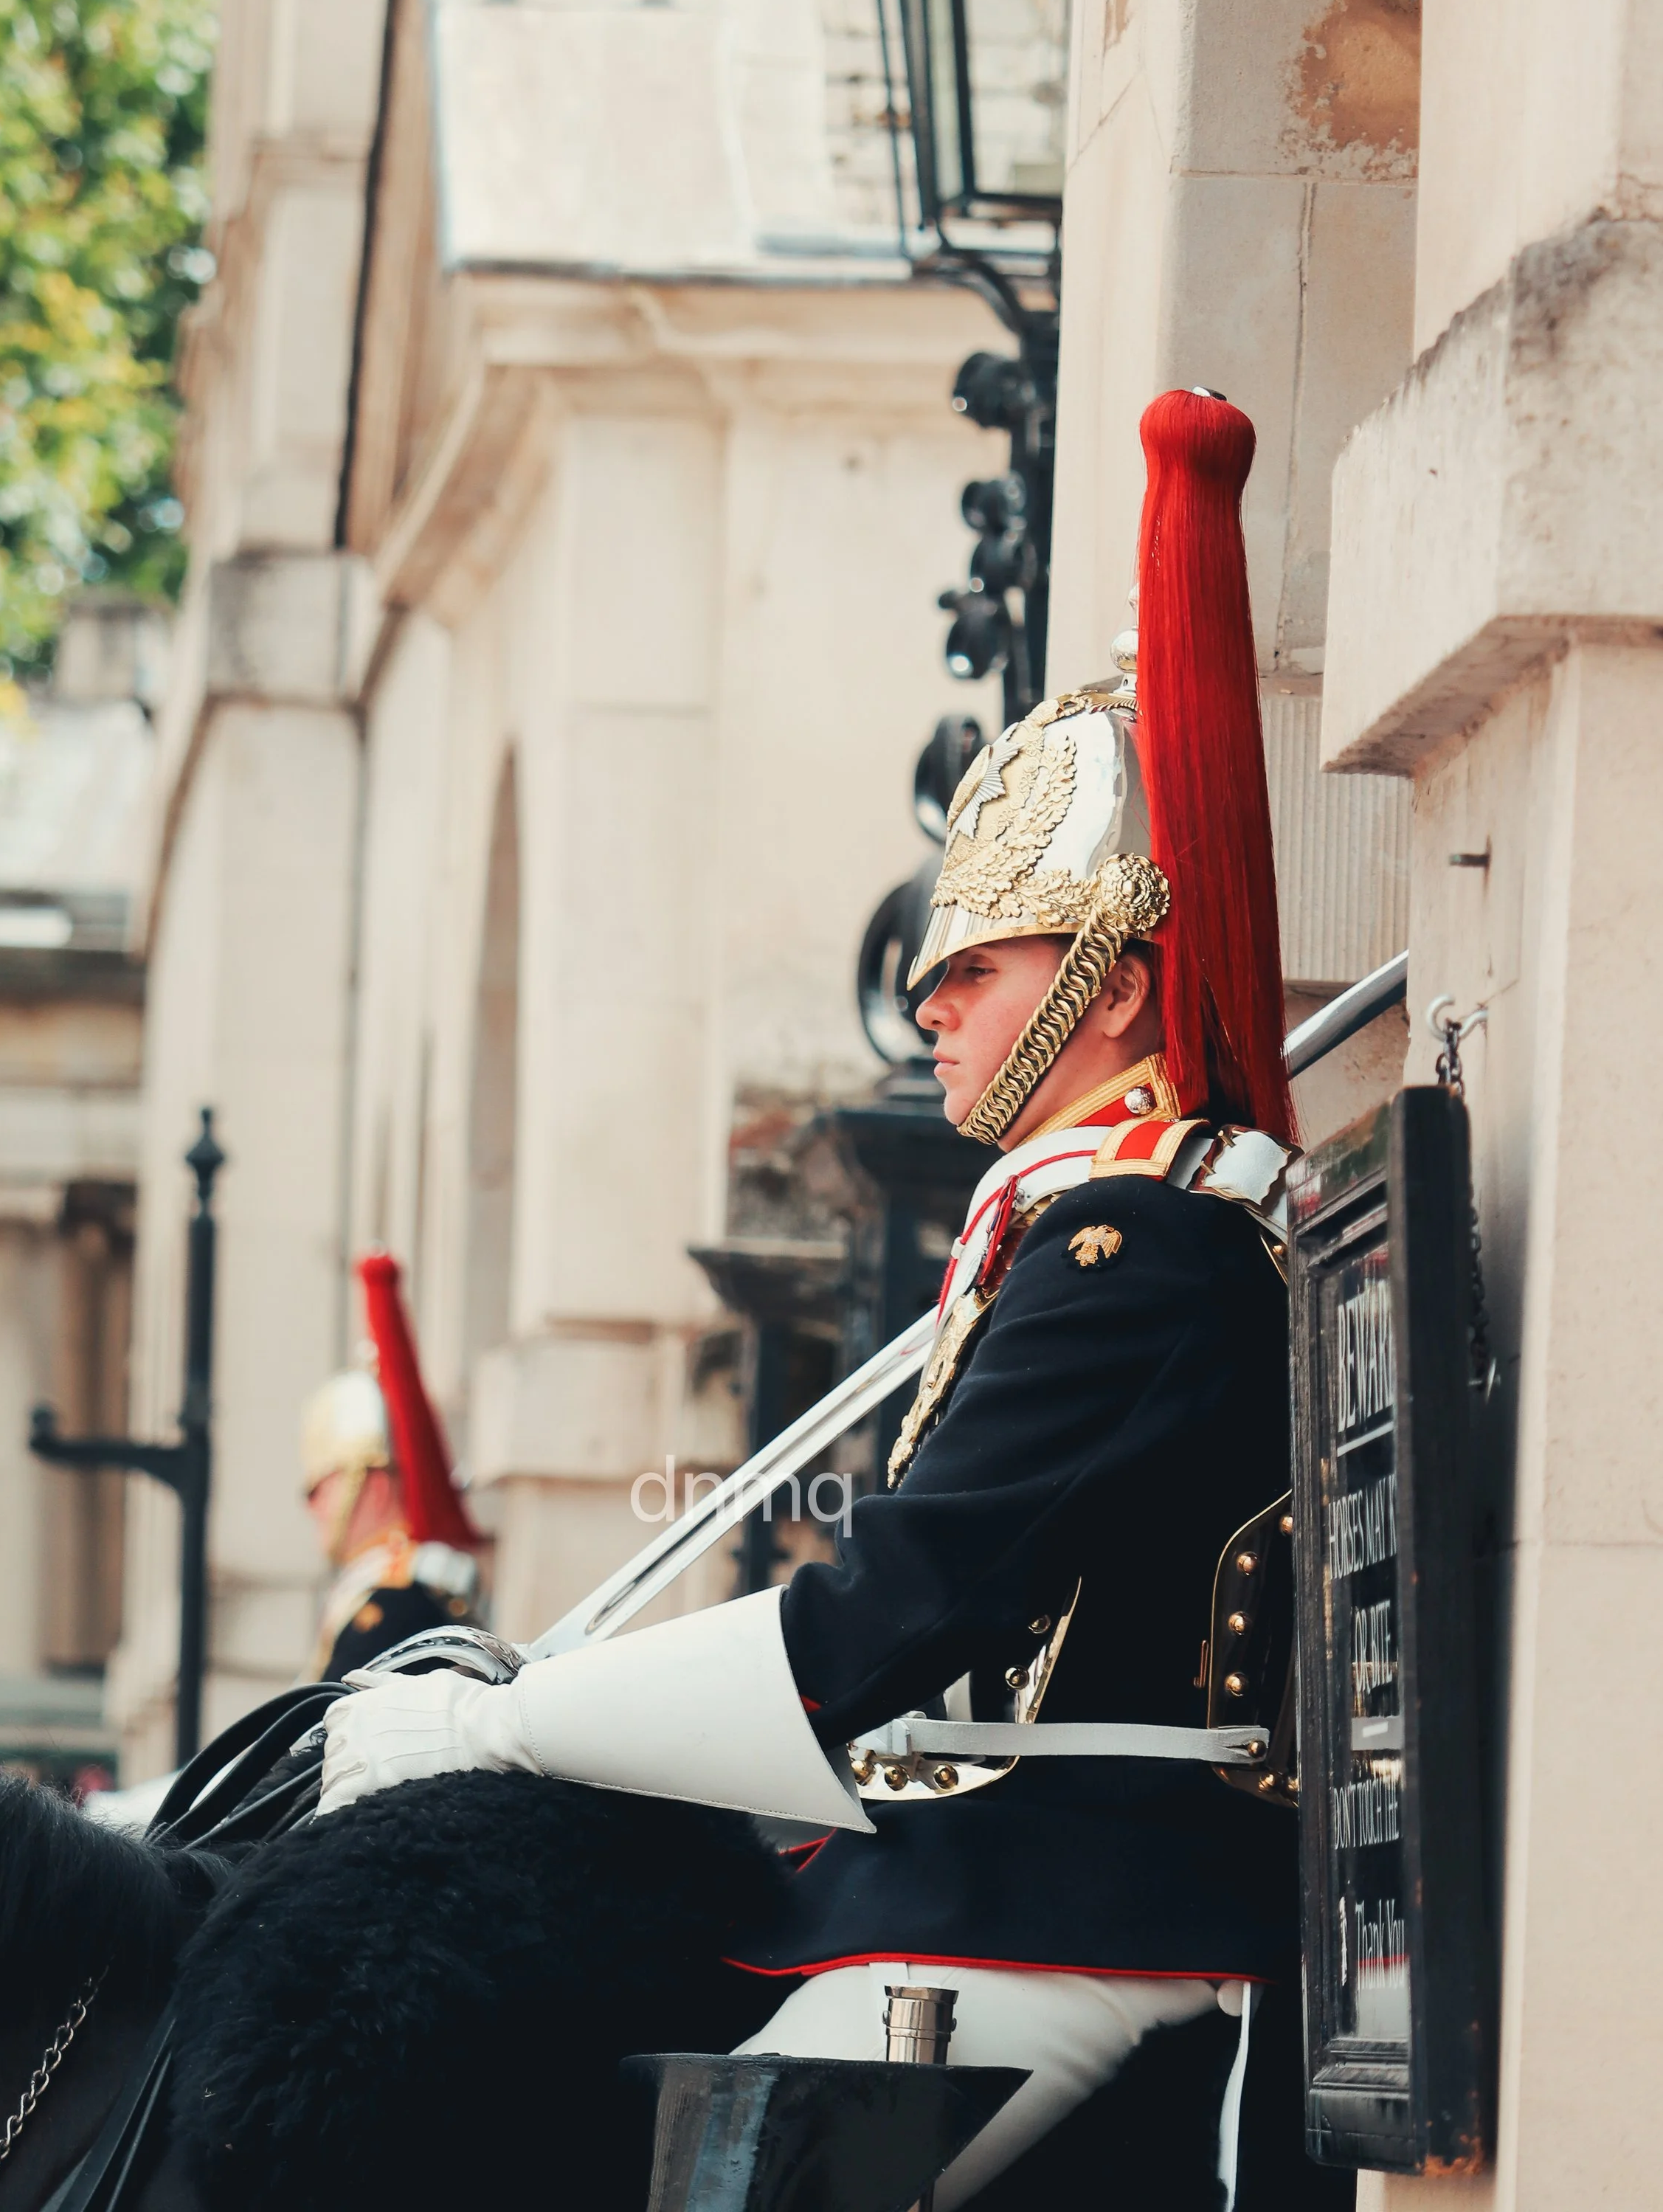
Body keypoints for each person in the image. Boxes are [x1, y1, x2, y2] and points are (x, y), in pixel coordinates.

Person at [314, 393, 1341, 2207]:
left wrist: (508, 1716)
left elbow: (897, 1609)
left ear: (1112, 987)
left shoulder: (1140, 1247)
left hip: (1079, 1901)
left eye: (980, 967)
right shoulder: (1097, 1219)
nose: (933, 1006)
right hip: (998, 1873)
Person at [300, 1253, 483, 1682]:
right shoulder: (382, 1594)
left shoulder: (398, 1604)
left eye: (320, 1487)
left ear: (376, 1487)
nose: (313, 1506)